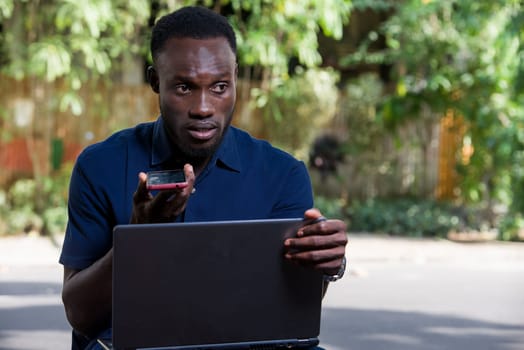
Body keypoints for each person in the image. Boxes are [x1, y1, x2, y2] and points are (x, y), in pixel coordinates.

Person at [59, 6, 347, 350]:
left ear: (236, 77)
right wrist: (140, 240)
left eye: (220, 87)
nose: (204, 107)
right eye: (184, 88)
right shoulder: (101, 166)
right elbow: (79, 314)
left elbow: (291, 310)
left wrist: (323, 263)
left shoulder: (282, 174)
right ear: (155, 82)